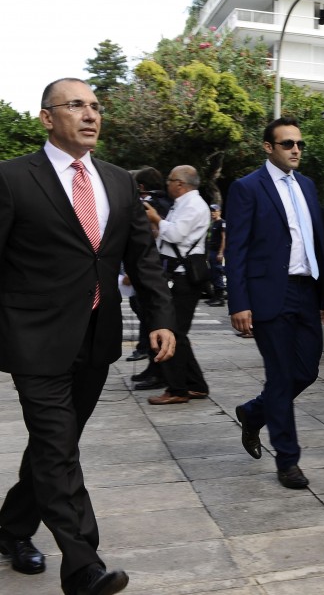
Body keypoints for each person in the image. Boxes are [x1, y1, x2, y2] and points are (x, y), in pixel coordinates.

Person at [0, 78, 176, 595]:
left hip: (98, 337)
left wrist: (161, 317)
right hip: (34, 339)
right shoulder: (12, 178)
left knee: (56, 445)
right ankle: (83, 567)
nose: (90, 114)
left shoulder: (118, 181)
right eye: (75, 105)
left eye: (96, 106)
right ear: (47, 117)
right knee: (58, 447)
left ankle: (11, 529)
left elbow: (142, 257)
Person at [225, 117, 324, 490]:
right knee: (282, 376)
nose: (296, 149)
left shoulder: (306, 185)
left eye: (299, 144)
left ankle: (254, 412)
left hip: (307, 291)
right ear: (269, 148)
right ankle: (288, 461)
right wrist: (239, 303)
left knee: (306, 371)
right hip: (269, 294)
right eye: (288, 144)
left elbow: (317, 241)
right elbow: (236, 249)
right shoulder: (247, 188)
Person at [142, 165, 211, 405]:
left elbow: (175, 235)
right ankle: (195, 385)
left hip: (184, 277)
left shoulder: (194, 205)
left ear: (180, 184)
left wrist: (156, 219)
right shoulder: (182, 204)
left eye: (170, 180)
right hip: (176, 274)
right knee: (178, 332)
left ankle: (177, 389)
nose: (167, 184)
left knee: (172, 331)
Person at [125, 166, 172, 363]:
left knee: (143, 306)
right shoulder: (169, 203)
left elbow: (142, 239)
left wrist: (131, 270)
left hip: (150, 264)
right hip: (164, 264)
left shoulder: (146, 205)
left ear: (141, 186)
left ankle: (146, 348)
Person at [207, 204, 227, 306]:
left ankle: (220, 299)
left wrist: (220, 252)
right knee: (213, 274)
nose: (213, 213)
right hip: (211, 251)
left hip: (217, 252)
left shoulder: (222, 223)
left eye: (215, 211)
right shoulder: (212, 223)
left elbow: (224, 238)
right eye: (211, 211)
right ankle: (215, 297)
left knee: (217, 273)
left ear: (219, 212)